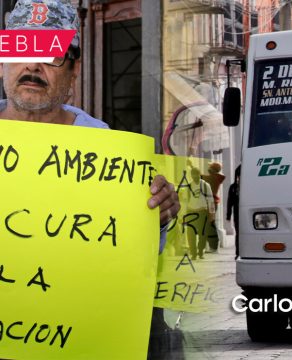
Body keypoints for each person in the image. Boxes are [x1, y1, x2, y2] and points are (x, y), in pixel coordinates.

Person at [1, 1, 181, 359]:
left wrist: (158, 214)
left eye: (52, 54)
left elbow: (135, 259)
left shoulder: (109, 155)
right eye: (21, 48)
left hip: (73, 341)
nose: (33, 65)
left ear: (74, 69)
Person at [185, 167, 215, 260]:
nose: (195, 176)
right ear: (191, 176)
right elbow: (185, 201)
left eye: (196, 174)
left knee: (203, 234)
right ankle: (193, 253)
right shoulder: (189, 186)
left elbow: (210, 200)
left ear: (200, 174)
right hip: (191, 211)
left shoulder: (206, 186)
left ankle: (200, 251)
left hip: (202, 211)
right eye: (193, 175)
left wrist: (212, 214)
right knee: (190, 234)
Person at [226, 165, 240, 260]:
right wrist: (228, 215)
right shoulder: (233, 188)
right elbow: (229, 202)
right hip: (237, 214)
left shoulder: (249, 187)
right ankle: (238, 252)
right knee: (238, 234)